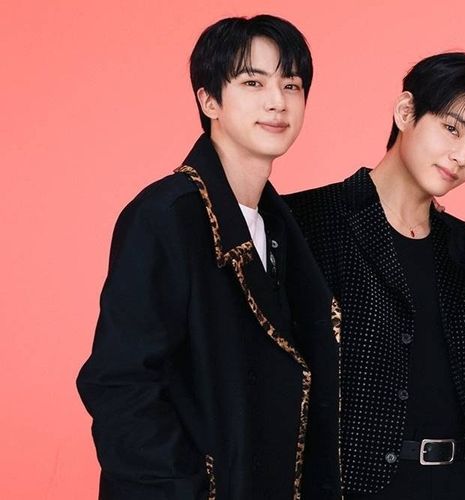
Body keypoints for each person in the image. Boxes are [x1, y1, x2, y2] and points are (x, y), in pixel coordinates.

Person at [77, 14, 340, 499]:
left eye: (291, 85)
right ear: (209, 100)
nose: (277, 101)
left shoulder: (281, 228)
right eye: (253, 82)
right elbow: (120, 384)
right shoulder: (167, 216)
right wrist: (188, 488)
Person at [286, 52, 465, 499]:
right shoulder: (308, 221)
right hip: (357, 487)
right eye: (452, 129)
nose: (461, 157)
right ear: (406, 111)